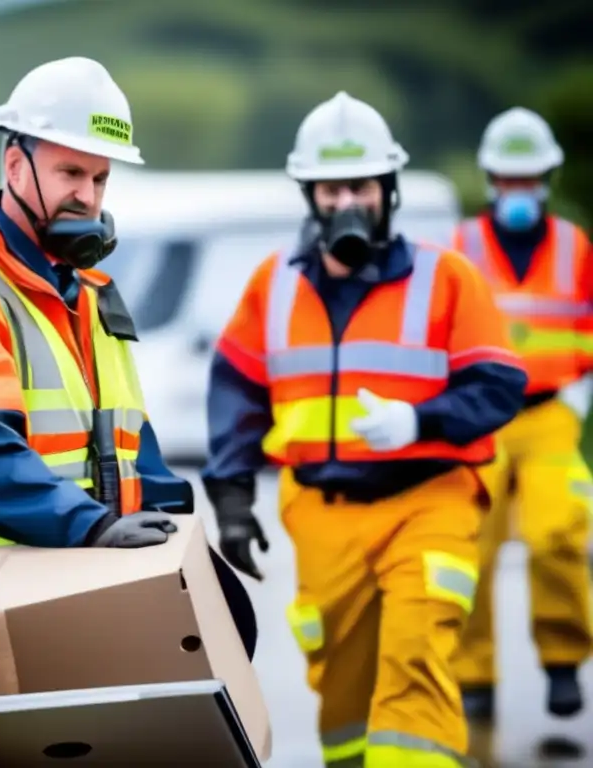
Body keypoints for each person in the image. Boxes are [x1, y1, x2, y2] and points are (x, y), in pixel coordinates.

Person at [0, 57, 258, 659]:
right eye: (69, 172)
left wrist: (181, 541)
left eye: (100, 179)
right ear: (14, 164)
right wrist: (95, 527)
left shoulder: (90, 294)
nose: (86, 196)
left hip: (84, 582)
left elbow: (134, 446)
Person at [203, 91, 528, 766]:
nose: (346, 201)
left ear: (389, 189)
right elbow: (235, 391)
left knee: (414, 660)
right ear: (309, 195)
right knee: (342, 689)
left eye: (360, 185)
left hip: (430, 503)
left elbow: (499, 387)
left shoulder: (449, 279)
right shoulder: (275, 284)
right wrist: (232, 502)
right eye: (330, 188)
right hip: (323, 515)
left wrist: (420, 418)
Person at [449, 106, 593, 721]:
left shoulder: (574, 247)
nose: (518, 190)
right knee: (472, 547)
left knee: (554, 533)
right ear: (490, 179)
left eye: (528, 177)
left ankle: (563, 661)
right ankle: (475, 675)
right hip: (482, 418)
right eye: (508, 178)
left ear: (547, 179)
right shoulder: (462, 247)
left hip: (551, 414)